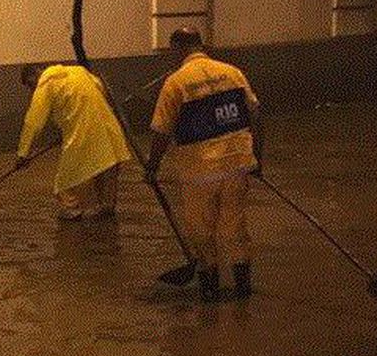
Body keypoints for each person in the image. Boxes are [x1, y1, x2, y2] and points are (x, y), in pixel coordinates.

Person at [145, 27, 262, 302]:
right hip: (237, 164)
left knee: (201, 230)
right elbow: (256, 115)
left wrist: (152, 167)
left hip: (200, 171)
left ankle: (210, 291)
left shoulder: (176, 83)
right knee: (235, 227)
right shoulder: (233, 72)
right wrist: (257, 158)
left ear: (177, 49)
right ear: (200, 44)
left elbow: (161, 131)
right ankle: (243, 291)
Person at [17, 62, 134, 220]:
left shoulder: (46, 84)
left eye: (31, 86)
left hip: (83, 134)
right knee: (106, 168)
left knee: (65, 181)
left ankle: (72, 209)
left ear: (33, 78)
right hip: (108, 127)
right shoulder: (78, 72)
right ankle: (106, 206)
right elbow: (99, 87)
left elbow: (33, 122)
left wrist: (23, 153)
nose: (32, 91)